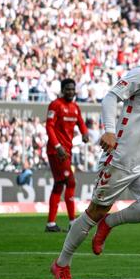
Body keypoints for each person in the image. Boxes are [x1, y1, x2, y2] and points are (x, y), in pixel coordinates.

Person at [50, 26, 140, 279]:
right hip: (121, 157)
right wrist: (109, 131)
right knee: (94, 211)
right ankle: (61, 264)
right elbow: (111, 97)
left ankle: (110, 223)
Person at [44, 79, 89, 232]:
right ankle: (72, 222)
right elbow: (49, 126)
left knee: (58, 185)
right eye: (68, 89)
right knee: (70, 182)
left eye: (72, 89)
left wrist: (84, 133)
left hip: (66, 151)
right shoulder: (56, 105)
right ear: (63, 90)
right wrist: (57, 146)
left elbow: (81, 122)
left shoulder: (75, 107)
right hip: (56, 151)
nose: (71, 92)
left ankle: (51, 224)